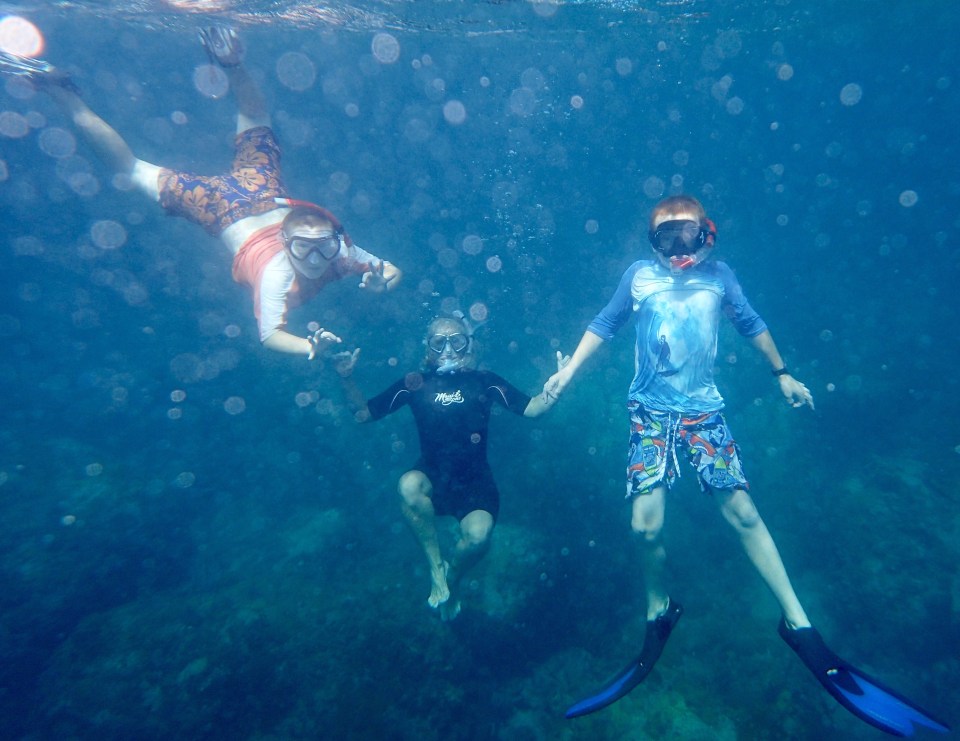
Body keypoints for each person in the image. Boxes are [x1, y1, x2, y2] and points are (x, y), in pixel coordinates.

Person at [545, 195, 949, 735]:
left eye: (687, 237)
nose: (677, 251)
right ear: (652, 244)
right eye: (665, 240)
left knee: (743, 515)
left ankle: (798, 622)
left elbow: (750, 322)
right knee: (645, 527)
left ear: (706, 235)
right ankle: (658, 607)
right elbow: (605, 322)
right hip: (650, 413)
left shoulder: (720, 278)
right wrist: (568, 372)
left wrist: (782, 372)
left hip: (703, 412)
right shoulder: (639, 277)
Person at [0, 27, 401, 360]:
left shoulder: (341, 251)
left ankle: (229, 64)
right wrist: (309, 346)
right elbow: (270, 335)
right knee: (131, 168)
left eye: (323, 249)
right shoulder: (283, 272)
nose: (315, 259)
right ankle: (63, 94)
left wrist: (385, 281)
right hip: (223, 208)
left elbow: (387, 270)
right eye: (303, 249)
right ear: (285, 243)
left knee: (248, 125)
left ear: (336, 241)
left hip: (259, 189)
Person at [334, 314, 566, 621]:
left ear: (469, 345)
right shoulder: (413, 383)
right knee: (408, 486)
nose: (447, 349)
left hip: (476, 484)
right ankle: (436, 569)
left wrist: (556, 387)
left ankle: (453, 576)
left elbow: (533, 408)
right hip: (432, 476)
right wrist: (346, 377)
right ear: (427, 347)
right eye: (438, 341)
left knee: (479, 538)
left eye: (456, 341)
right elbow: (363, 414)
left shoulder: (485, 381)